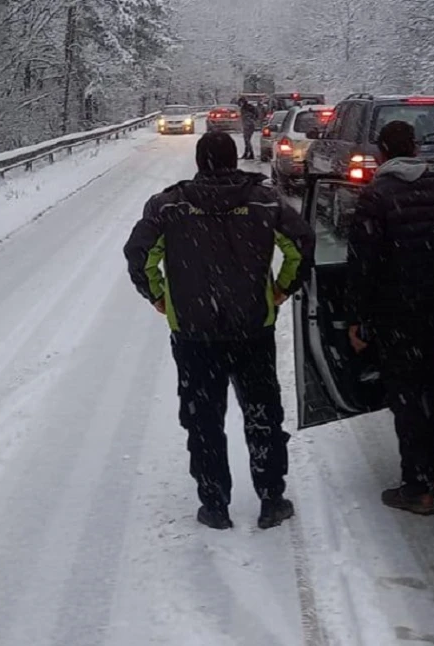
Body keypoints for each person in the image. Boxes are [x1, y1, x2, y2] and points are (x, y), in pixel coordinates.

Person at [124, 132, 315, 530]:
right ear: (233, 160)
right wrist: (281, 290)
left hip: (194, 334)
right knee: (262, 414)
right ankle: (271, 499)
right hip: (252, 329)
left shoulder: (169, 205)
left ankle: (214, 504)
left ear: (199, 162)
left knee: (203, 420)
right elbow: (301, 245)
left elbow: (140, 256)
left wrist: (159, 297)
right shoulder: (265, 201)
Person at [345, 120, 434, 516]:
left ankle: (417, 486)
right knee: (433, 389)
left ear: (382, 152)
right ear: (415, 148)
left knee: (406, 396)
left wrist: (356, 318)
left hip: (395, 313)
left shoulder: (376, 196)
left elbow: (363, 262)